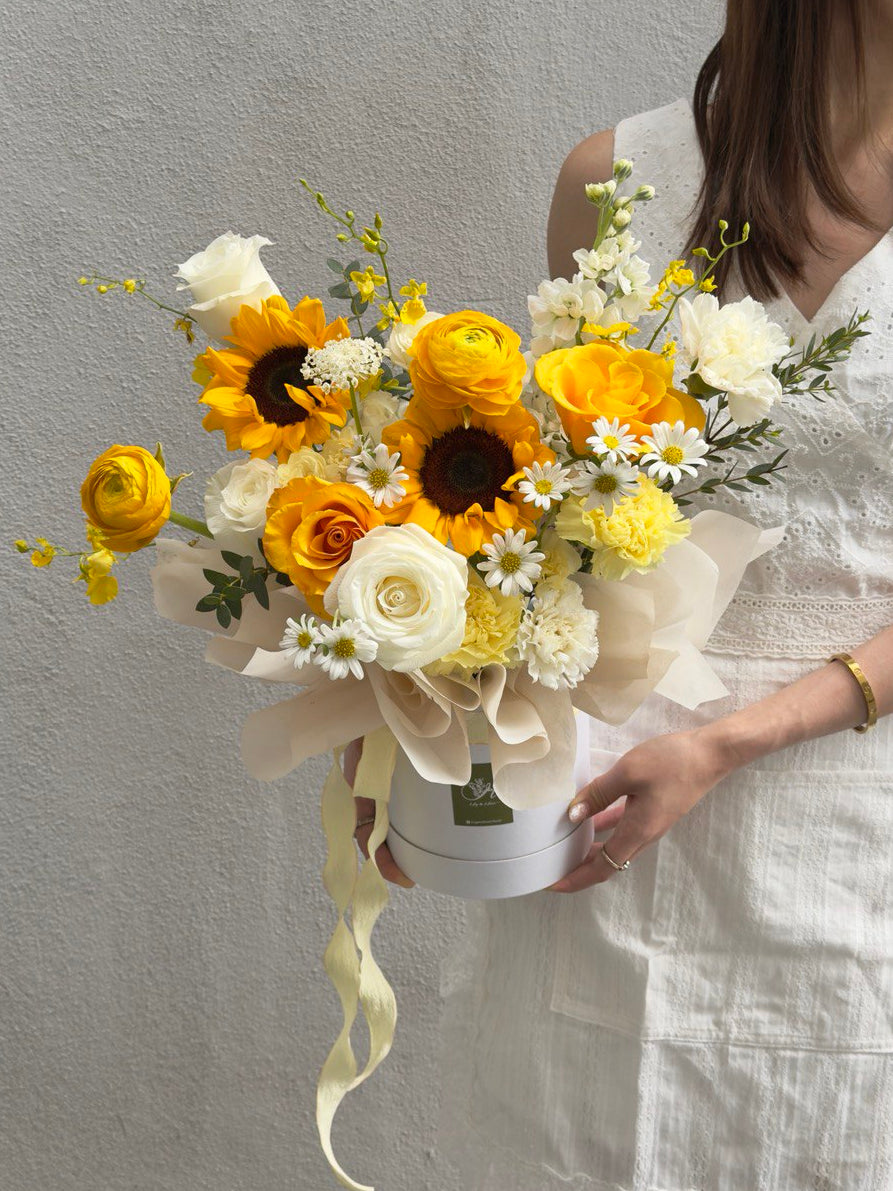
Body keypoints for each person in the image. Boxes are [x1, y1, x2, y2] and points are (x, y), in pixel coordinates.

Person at [351, 1, 893, 1184]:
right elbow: (545, 534)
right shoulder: (618, 179)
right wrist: (415, 728)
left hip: (857, 837)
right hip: (603, 849)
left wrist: (732, 741)